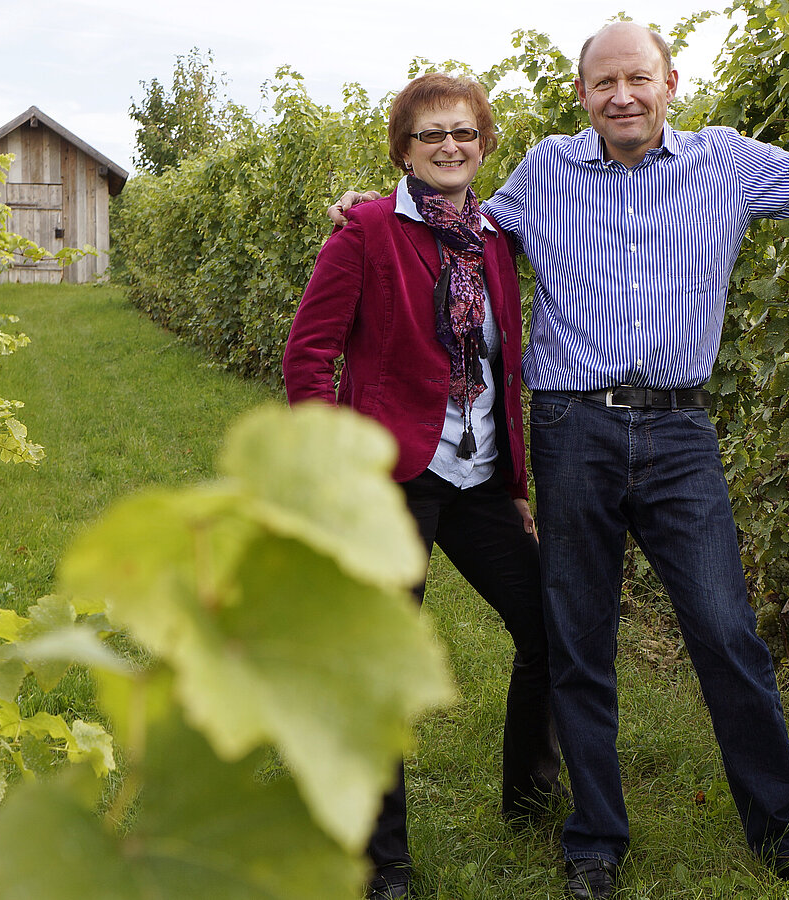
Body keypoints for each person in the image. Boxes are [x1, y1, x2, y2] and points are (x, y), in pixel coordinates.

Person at [332, 24, 789, 899]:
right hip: (573, 429)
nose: (622, 95)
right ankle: (593, 841)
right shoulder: (545, 170)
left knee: (727, 633)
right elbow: (454, 228)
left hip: (678, 434)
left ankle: (783, 831)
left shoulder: (726, 163)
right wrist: (374, 206)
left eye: (638, 78)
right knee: (579, 640)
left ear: (670, 82)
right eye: (603, 82)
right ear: (582, 95)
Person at [283, 72, 562, 900]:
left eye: (464, 132)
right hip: (389, 482)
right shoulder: (366, 229)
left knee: (548, 628)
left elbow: (501, 370)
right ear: (403, 150)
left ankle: (531, 799)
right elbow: (308, 355)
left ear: (485, 145)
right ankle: (383, 861)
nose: (450, 146)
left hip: (477, 477)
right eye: (431, 133)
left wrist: (516, 484)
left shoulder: (493, 239)